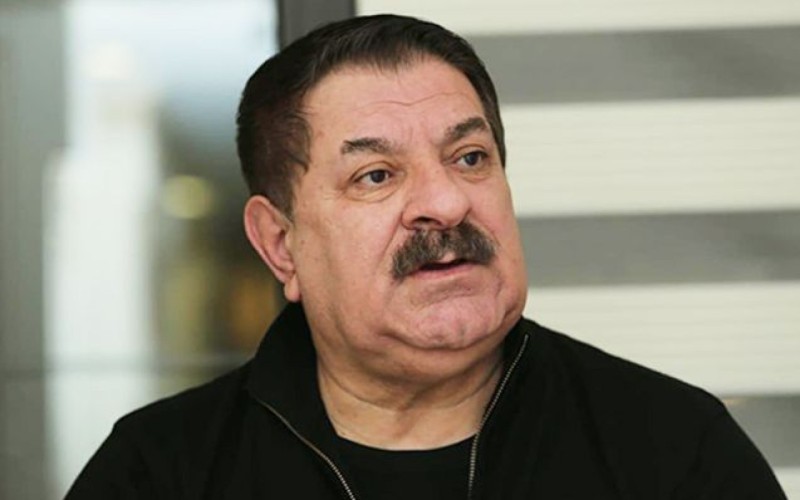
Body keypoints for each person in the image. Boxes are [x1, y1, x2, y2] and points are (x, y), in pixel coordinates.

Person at [66, 14, 786, 499]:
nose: (445, 203)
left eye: (470, 157)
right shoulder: (161, 472)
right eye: (376, 175)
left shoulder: (672, 449)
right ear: (281, 245)